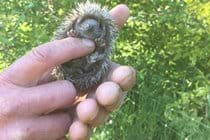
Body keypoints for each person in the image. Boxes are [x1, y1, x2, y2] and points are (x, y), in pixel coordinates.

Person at [0, 4, 136, 140]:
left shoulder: (101, 42)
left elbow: (101, 54)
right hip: (71, 68)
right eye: (85, 26)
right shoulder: (74, 33)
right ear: (76, 26)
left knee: (105, 84)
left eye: (93, 28)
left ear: (101, 31)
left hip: (87, 69)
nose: (88, 28)